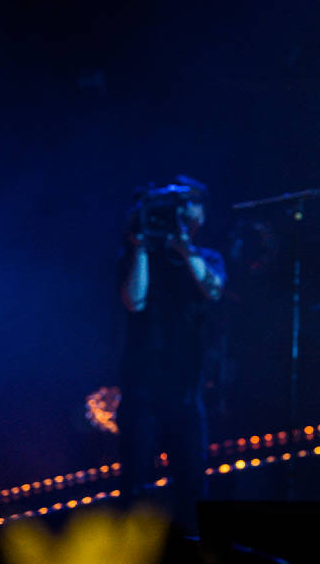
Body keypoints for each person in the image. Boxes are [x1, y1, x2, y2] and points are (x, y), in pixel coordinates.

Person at [117, 175, 226, 532]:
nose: (178, 214)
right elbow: (135, 301)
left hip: (186, 389)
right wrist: (141, 248)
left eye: (187, 205)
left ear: (201, 215)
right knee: (134, 485)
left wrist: (185, 248)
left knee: (192, 485)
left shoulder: (207, 258)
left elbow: (213, 291)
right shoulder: (136, 257)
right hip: (142, 388)